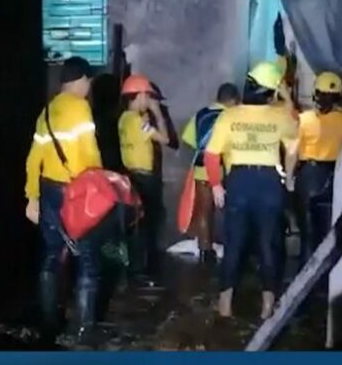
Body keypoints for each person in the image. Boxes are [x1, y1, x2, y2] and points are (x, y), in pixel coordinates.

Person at [204, 62, 298, 320]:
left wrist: (216, 184)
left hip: (239, 182)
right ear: (271, 92)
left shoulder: (229, 116)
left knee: (234, 244)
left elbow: (211, 155)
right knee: (269, 244)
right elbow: (293, 144)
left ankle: (225, 306)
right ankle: (267, 307)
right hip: (269, 183)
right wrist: (289, 177)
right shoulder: (280, 115)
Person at [24, 56, 102, 340]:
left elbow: (33, 160)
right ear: (81, 80)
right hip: (76, 192)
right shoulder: (80, 107)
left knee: (50, 255)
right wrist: (100, 187)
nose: (88, 88)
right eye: (89, 82)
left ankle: (49, 321)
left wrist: (32, 197)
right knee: (87, 259)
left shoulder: (46, 112)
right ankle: (83, 328)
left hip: (48, 190)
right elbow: (90, 155)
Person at [292, 71, 342, 269]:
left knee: (307, 233)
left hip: (308, 175)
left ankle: (305, 277)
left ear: (315, 93)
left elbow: (292, 152)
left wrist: (289, 179)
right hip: (334, 176)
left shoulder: (304, 120)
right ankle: (325, 277)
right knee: (328, 233)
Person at [181, 83, 241, 267]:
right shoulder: (233, 116)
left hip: (203, 170)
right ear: (234, 100)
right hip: (229, 171)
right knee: (233, 214)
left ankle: (205, 251)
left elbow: (189, 140)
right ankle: (234, 252)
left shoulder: (200, 115)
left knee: (205, 214)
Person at [118, 74, 171, 275]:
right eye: (147, 97)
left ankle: (135, 268)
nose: (149, 101)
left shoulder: (124, 119)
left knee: (136, 224)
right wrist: (157, 113)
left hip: (130, 176)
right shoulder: (138, 121)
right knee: (148, 225)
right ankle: (145, 270)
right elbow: (165, 139)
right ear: (140, 95)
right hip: (145, 179)